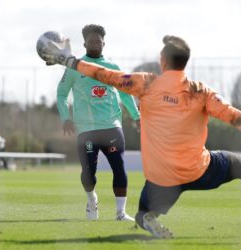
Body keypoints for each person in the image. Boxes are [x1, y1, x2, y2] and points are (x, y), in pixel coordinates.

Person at [44, 34, 241, 238]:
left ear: (164, 62)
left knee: (143, 212)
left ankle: (148, 216)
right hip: (198, 169)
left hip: (162, 177)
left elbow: (106, 75)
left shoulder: (146, 83)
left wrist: (70, 61)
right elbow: (235, 116)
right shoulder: (200, 91)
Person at [56, 24, 140, 221]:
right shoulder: (74, 67)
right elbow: (61, 94)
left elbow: (126, 93)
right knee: (88, 173)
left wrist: (136, 117)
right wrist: (65, 118)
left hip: (112, 127)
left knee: (119, 167)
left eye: (98, 40)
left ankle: (120, 213)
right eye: (91, 40)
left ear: (104, 43)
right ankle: (91, 199)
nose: (95, 43)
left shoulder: (113, 68)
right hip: (86, 130)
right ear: (84, 43)